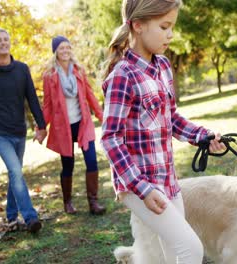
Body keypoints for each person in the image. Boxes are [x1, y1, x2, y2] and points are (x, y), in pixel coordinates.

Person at [100, 0, 225, 263]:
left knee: (174, 253)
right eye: (164, 26)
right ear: (138, 25)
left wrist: (202, 136)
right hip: (138, 185)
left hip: (167, 178)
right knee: (190, 248)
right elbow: (110, 138)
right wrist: (142, 188)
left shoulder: (163, 67)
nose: (171, 34)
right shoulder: (123, 75)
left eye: (172, 27)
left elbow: (171, 118)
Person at [0, 28, 47, 233]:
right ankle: (31, 217)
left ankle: (11, 215)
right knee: (16, 171)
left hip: (19, 130)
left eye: (6, 39)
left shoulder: (22, 69)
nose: (3, 43)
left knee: (14, 175)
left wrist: (41, 125)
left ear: (10, 42)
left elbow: (32, 98)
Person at [42, 36, 106, 215]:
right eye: (61, 48)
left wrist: (102, 117)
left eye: (67, 47)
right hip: (63, 127)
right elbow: (47, 104)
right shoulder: (50, 76)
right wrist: (41, 128)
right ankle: (67, 202)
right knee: (68, 165)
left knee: (92, 162)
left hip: (82, 122)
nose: (65, 51)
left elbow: (90, 95)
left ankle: (93, 202)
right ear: (55, 51)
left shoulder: (79, 71)